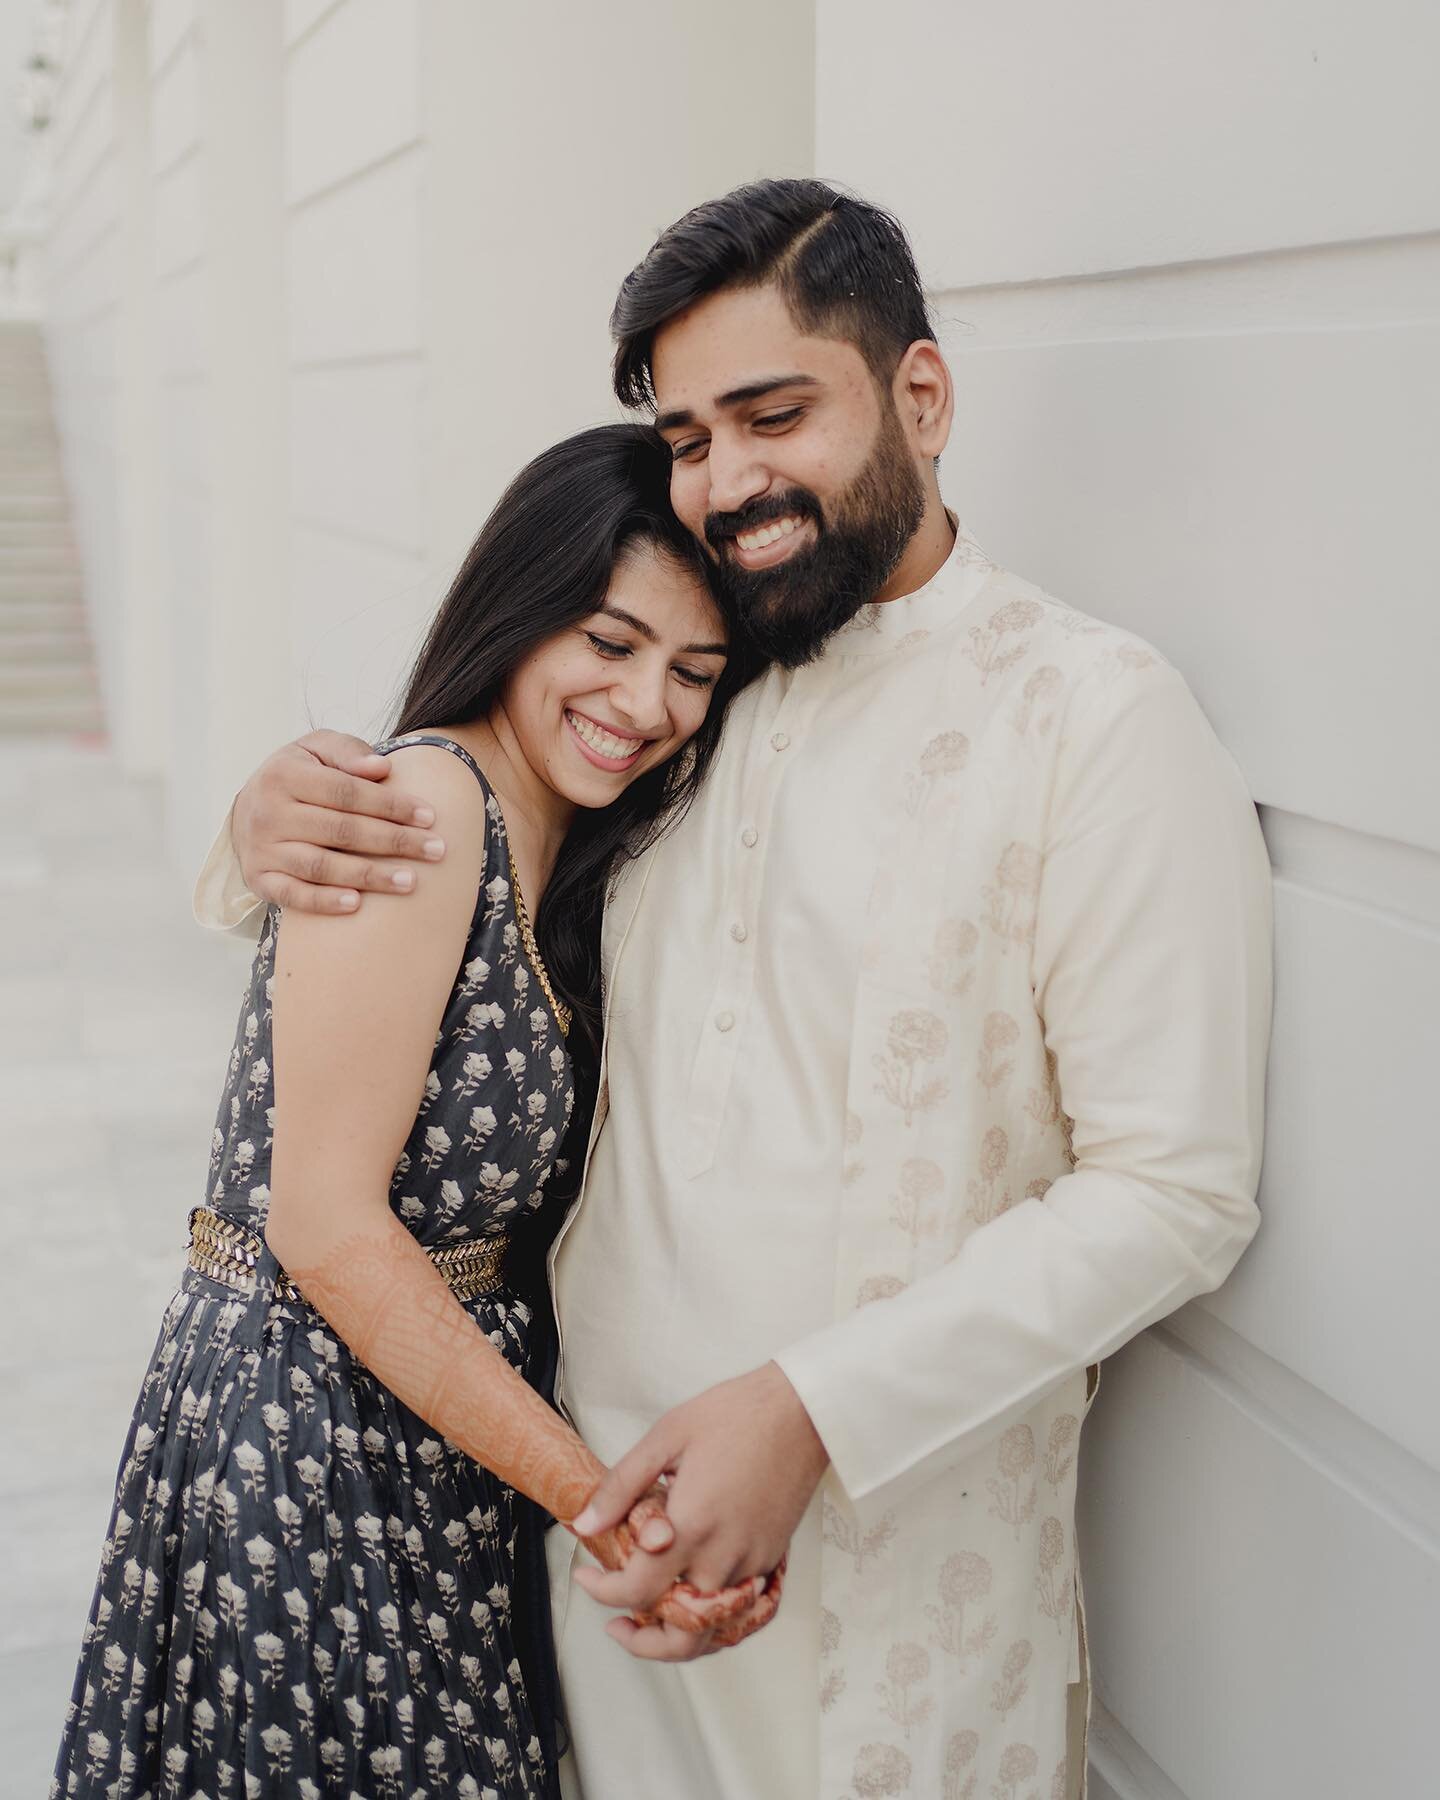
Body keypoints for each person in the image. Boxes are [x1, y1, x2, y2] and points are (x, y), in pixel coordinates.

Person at [203, 180, 1273, 1800]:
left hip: (895, 1578)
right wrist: (255, 836)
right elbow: (462, 864)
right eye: (691, 437)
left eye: (774, 415)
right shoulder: (698, 680)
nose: (728, 480)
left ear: (921, 395)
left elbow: (1177, 1186)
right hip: (594, 1553)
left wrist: (810, 1414)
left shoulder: (1093, 719)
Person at [51, 425, 778, 1800]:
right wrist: (597, 1507)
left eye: (696, 670)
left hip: (427, 1428)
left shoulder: (577, 833)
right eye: (611, 643)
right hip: (313, 1437)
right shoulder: (430, 807)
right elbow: (325, 1226)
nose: (648, 702)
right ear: (522, 605)